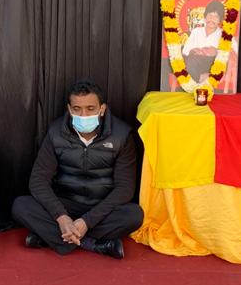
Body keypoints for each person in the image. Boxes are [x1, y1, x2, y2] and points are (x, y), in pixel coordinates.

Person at [11, 79, 143, 259]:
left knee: (134, 215)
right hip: (66, 203)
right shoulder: (56, 132)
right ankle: (93, 244)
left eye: (90, 108)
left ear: (102, 109)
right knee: (21, 206)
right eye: (77, 109)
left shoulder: (122, 135)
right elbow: (38, 180)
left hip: (101, 207)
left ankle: (52, 238)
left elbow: (124, 189)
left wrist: (87, 221)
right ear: (69, 109)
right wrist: (62, 217)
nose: (83, 114)